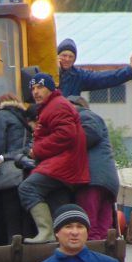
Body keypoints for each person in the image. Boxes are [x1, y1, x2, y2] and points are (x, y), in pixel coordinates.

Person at [17, 73, 89, 243]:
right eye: (33, 88)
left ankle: (46, 232)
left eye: (40, 87)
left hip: (63, 164)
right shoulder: (52, 106)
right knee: (57, 202)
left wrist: (36, 150)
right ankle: (61, 241)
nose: (35, 92)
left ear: (51, 88)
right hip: (64, 165)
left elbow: (65, 134)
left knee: (27, 188)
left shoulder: (57, 106)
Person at [69, 95, 120, 240]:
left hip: (91, 178)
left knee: (89, 225)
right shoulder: (92, 117)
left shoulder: (83, 115)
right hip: (107, 181)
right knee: (104, 228)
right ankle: (103, 250)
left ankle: (95, 251)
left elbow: (90, 134)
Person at [0, 92, 32, 243]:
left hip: (8, 172)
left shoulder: (1, 114)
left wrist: (0, 158)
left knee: (11, 220)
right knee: (26, 219)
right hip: (26, 170)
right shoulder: (26, 117)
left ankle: (13, 252)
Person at [57, 38, 132, 99]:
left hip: (68, 113)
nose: (67, 59)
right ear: (57, 56)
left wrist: (129, 70)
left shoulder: (78, 76)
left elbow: (104, 78)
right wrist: (57, 71)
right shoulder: (50, 73)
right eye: (64, 55)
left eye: (71, 57)